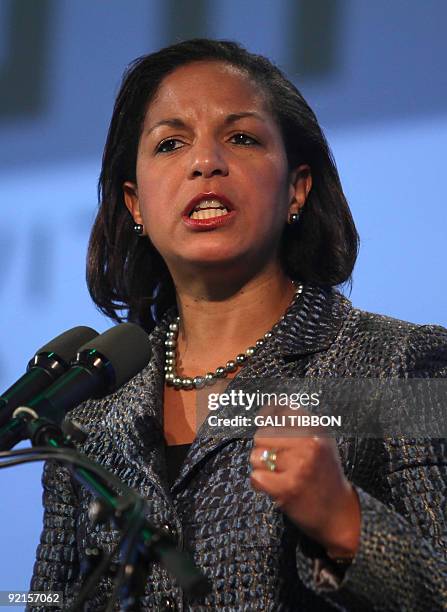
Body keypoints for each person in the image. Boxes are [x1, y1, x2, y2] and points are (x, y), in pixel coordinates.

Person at [29, 39, 447, 611]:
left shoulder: (396, 367)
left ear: (296, 188)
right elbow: (50, 599)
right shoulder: (92, 412)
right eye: (171, 143)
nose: (206, 162)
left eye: (242, 138)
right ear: (136, 206)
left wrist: (343, 521)